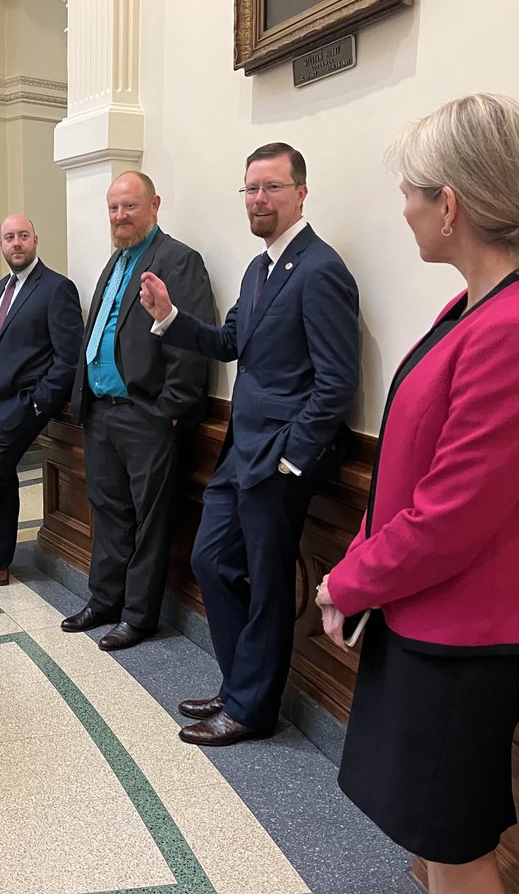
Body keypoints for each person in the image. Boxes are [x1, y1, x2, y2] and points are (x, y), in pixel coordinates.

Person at [317, 94, 519, 894]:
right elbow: (409, 469)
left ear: (449, 206)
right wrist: (360, 567)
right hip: (428, 615)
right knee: (429, 838)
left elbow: (451, 516)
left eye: (410, 191)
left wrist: (348, 581)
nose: (403, 208)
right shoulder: (476, 308)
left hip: (466, 636)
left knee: (455, 846)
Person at [138, 143, 360, 746]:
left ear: (300, 194)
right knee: (211, 560)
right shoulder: (259, 269)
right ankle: (240, 684)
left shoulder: (321, 269)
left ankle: (251, 709)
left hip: (279, 459)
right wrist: (169, 317)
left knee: (266, 585)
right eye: (251, 188)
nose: (258, 199)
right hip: (242, 451)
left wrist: (293, 457)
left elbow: (337, 381)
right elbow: (230, 341)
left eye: (272, 187)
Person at [63, 170, 215, 650]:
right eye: (113, 207)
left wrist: (169, 410)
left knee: (150, 521)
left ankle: (138, 615)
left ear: (154, 205)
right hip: (101, 413)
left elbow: (190, 342)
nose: (119, 216)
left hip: (146, 415)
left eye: (129, 206)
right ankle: (104, 599)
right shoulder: (116, 261)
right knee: (108, 511)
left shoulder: (179, 260)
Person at [0, 214, 82, 586]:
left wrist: (38, 402)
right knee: (1, 479)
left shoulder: (57, 288)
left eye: (23, 235)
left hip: (22, 404)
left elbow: (69, 358)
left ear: (35, 240)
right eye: (9, 237)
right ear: (1, 245)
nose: (16, 242)